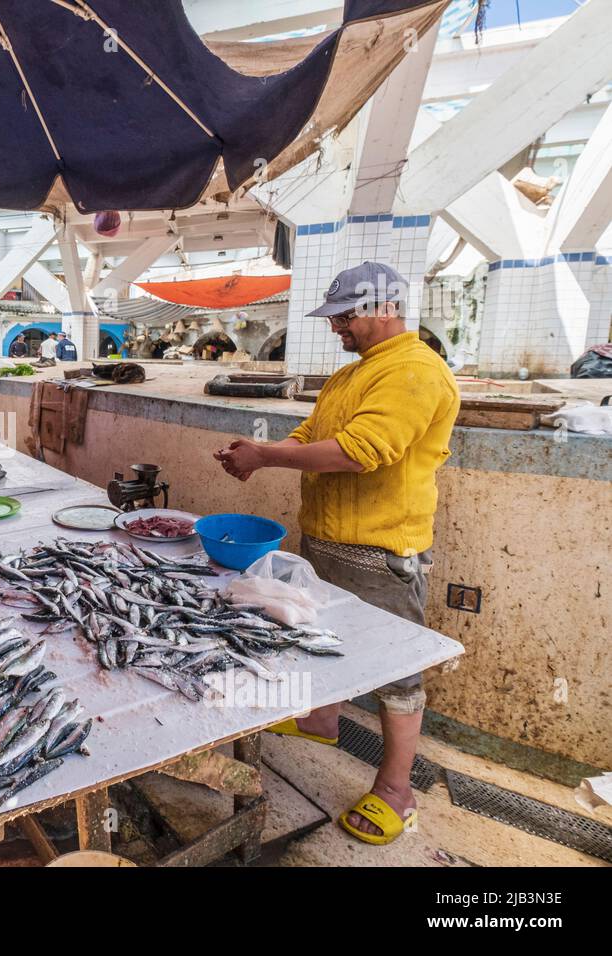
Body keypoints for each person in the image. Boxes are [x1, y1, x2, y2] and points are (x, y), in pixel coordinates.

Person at [213, 262, 459, 847]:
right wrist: (266, 448)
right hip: (326, 539)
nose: (336, 329)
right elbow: (314, 433)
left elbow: (360, 450)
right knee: (320, 637)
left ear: (383, 309)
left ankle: (398, 792)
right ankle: (323, 720)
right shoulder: (354, 375)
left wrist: (266, 459)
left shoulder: (416, 371)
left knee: (396, 673)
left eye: (346, 317)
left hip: (381, 551)